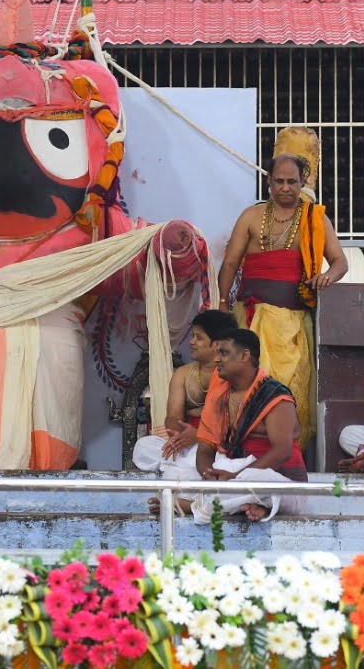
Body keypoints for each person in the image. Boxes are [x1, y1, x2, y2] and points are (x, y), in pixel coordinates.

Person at [217, 137, 347, 450]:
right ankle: (244, 455)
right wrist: (221, 304)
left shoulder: (315, 219)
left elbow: (340, 262)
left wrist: (326, 277)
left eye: (292, 181)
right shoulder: (251, 216)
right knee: (245, 390)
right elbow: (231, 263)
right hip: (250, 321)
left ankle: (284, 459)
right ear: (268, 182)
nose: (285, 188)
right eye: (279, 182)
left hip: (293, 325)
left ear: (303, 182)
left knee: (288, 392)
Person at [158, 328, 307, 523]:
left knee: (255, 482)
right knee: (176, 473)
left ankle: (192, 505)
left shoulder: (275, 396)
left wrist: (235, 478)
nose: (217, 359)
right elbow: (205, 450)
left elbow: (283, 451)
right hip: (234, 474)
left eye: (224, 353)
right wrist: (209, 476)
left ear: (245, 356)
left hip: (280, 482)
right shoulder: (220, 394)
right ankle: (248, 504)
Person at [134, 309, 237, 477]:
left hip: (218, 445)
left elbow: (235, 420)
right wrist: (179, 439)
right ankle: (190, 469)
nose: (192, 342)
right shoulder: (182, 374)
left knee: (225, 457)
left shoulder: (234, 374)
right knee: (143, 447)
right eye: (193, 336)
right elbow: (173, 417)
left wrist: (199, 435)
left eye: (199, 337)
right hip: (187, 446)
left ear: (217, 344)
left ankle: (185, 470)